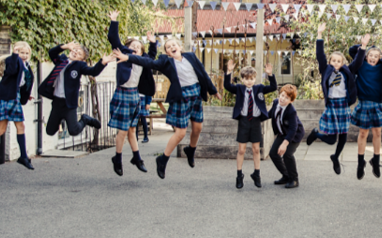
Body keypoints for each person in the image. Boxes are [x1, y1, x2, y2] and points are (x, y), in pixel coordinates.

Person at [113, 39, 221, 179]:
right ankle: (163, 160)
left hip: (196, 95)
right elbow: (148, 62)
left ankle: (190, 150)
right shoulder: (166, 62)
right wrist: (127, 57)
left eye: (174, 45)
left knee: (198, 128)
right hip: (182, 97)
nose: (171, 47)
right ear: (167, 52)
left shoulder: (191, 57)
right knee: (180, 133)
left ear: (180, 47)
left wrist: (213, 91)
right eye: (168, 47)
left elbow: (203, 73)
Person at [305, 23, 365, 175]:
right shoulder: (326, 70)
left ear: (343, 63)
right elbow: (320, 56)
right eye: (334, 61)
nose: (336, 63)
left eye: (339, 61)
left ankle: (336, 157)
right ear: (330, 62)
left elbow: (358, 62)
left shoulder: (347, 71)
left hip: (343, 105)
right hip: (332, 105)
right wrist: (319, 35)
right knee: (332, 139)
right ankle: (316, 133)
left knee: (343, 136)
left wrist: (363, 46)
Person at [106, 11, 157, 176]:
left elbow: (152, 56)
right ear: (127, 48)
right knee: (122, 130)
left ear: (141, 51)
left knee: (132, 131)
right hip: (123, 93)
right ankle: (118, 158)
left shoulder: (143, 60)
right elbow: (114, 39)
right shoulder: (123, 54)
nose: (135, 48)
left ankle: (137, 158)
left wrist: (152, 43)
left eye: (138, 47)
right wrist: (114, 21)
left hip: (135, 96)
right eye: (132, 45)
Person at [348, 34, 382, 180]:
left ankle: (376, 160)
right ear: (366, 56)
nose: (373, 58)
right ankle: (360, 162)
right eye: (371, 55)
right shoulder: (360, 65)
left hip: (377, 104)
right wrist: (363, 46)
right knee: (363, 133)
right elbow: (352, 51)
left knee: (377, 133)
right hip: (364, 103)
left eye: (376, 56)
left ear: (379, 58)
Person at [40, 42, 111, 138]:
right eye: (76, 50)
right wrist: (64, 46)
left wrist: (102, 62)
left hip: (69, 104)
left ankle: (85, 119)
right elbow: (52, 53)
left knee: (73, 131)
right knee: (50, 131)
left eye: (80, 54)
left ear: (82, 59)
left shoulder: (80, 65)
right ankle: (61, 118)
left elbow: (93, 72)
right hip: (57, 102)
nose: (76, 53)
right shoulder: (61, 60)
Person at [224, 60, 276, 189]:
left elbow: (273, 87)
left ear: (255, 79)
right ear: (242, 79)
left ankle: (257, 174)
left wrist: (270, 75)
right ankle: (239, 175)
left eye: (252, 79)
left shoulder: (259, 88)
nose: (249, 81)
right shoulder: (239, 88)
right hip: (244, 121)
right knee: (241, 150)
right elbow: (227, 86)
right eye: (246, 79)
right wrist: (229, 72)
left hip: (256, 121)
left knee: (256, 149)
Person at [0, 42, 35, 169]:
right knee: (2, 129)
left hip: (15, 96)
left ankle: (23, 157)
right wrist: (15, 55)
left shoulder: (26, 65)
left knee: (21, 126)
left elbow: (24, 82)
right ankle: (23, 157)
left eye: (26, 53)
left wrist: (25, 95)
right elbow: (11, 72)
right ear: (16, 52)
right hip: (6, 97)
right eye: (22, 53)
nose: (24, 55)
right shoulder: (11, 60)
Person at [268, 85, 305, 189]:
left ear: (291, 101)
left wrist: (284, 144)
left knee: (287, 154)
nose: (283, 99)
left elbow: (293, 129)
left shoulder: (291, 111)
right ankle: (286, 175)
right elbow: (270, 114)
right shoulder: (276, 102)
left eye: (287, 98)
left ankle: (294, 179)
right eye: (282, 95)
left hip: (294, 135)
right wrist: (256, 118)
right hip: (282, 132)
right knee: (273, 154)